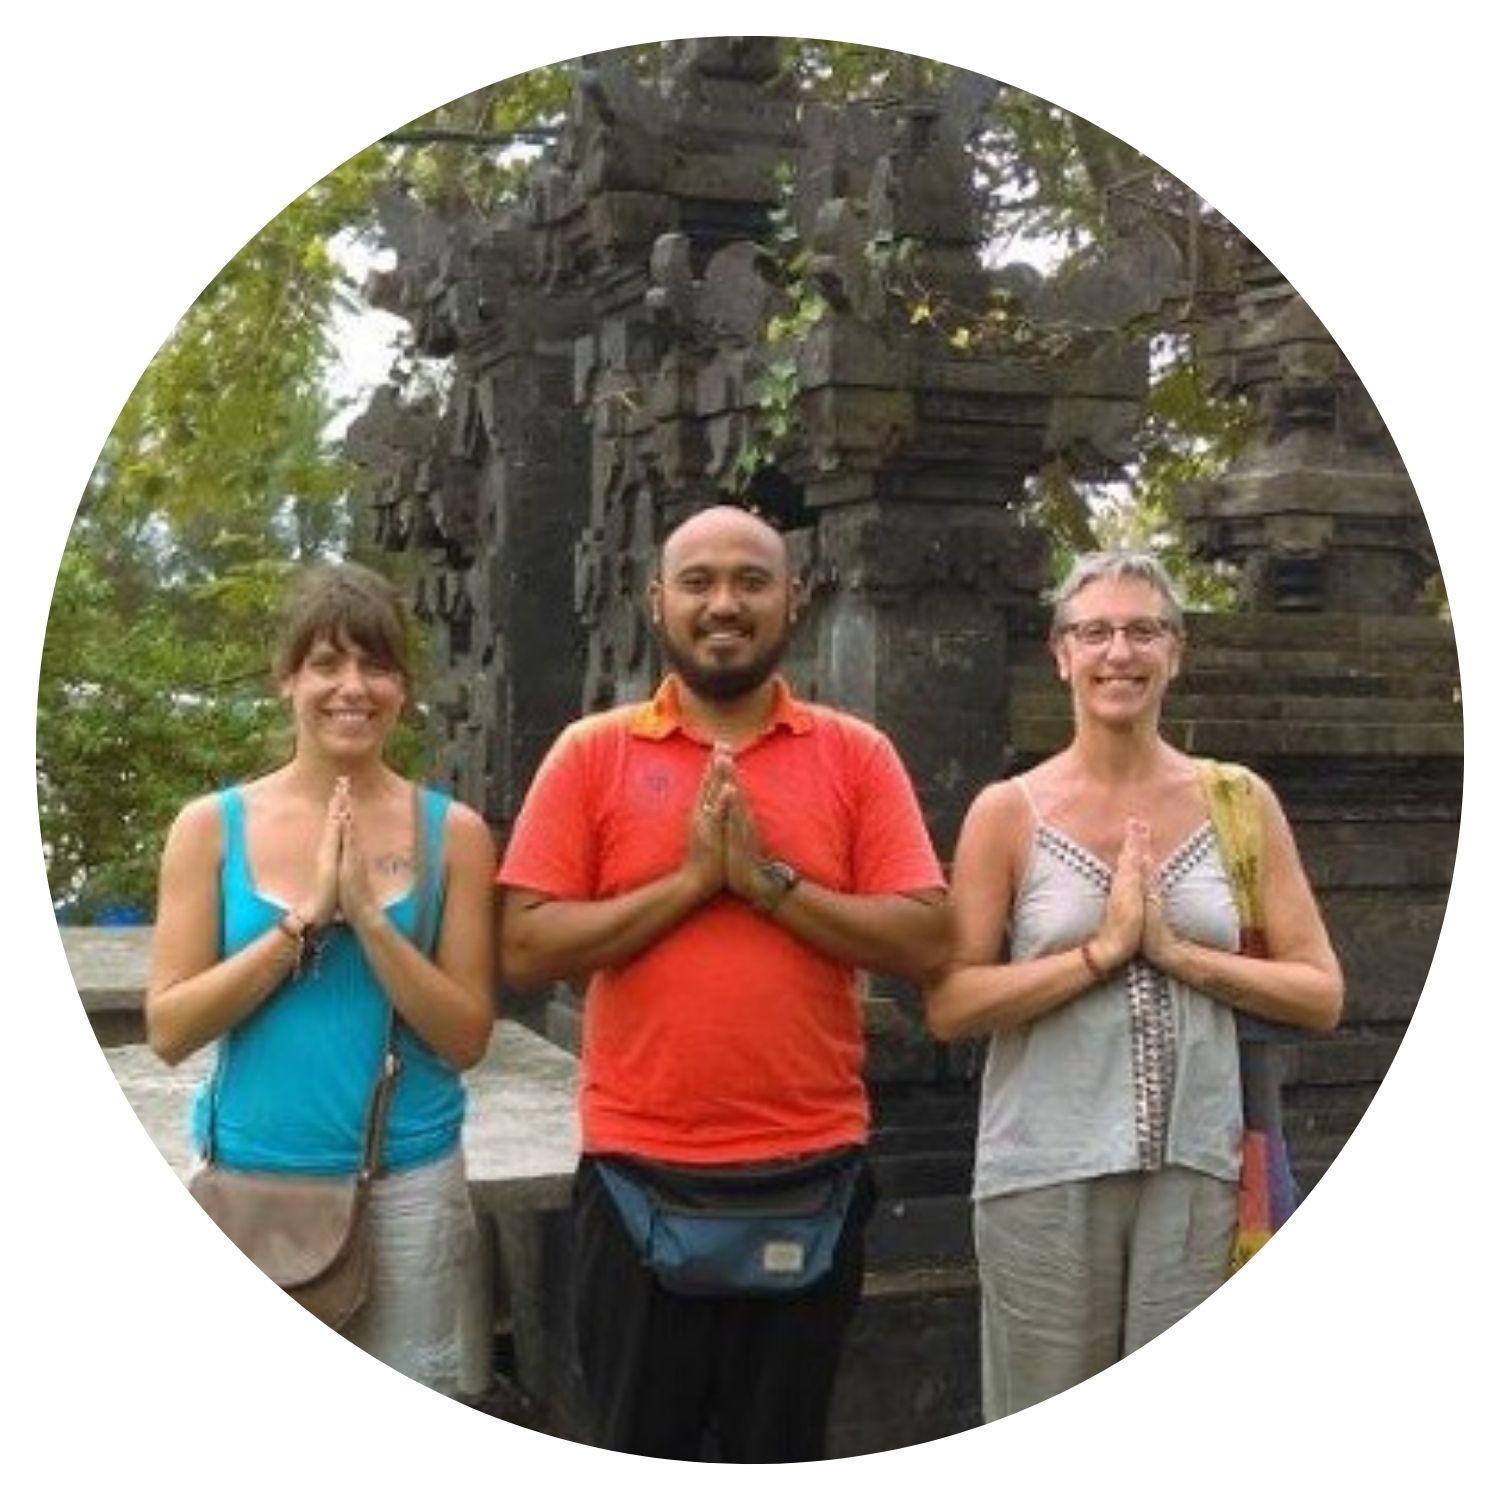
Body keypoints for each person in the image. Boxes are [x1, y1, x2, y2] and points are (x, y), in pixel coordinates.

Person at [497, 504, 948, 1462]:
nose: (725, 604)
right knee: (635, 1446)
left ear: (796, 598)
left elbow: (923, 939)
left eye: (752, 579)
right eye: (698, 581)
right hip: (637, 1173)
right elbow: (528, 949)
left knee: (779, 1447)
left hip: (811, 1168)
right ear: (657, 601)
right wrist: (695, 882)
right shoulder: (594, 753)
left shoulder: (855, 755)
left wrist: (769, 886)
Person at [925, 550, 1343, 1421]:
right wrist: (1098, 954)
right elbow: (952, 1004)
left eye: (1144, 630)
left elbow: (1319, 992)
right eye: (1097, 632)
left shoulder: (1239, 801)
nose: (1120, 652)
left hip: (1197, 1172)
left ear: (1176, 653)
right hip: (1042, 1173)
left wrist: (1182, 957)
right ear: (1061, 653)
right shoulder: (1010, 811)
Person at [146, 561, 496, 1392]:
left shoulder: (455, 836)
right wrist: (304, 919)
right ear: (287, 681)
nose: (352, 688)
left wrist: (371, 920)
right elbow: (170, 1028)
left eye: (376, 666)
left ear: (403, 688)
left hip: (405, 1181)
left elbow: (465, 1035)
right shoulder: (211, 828)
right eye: (327, 664)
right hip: (255, 1181)